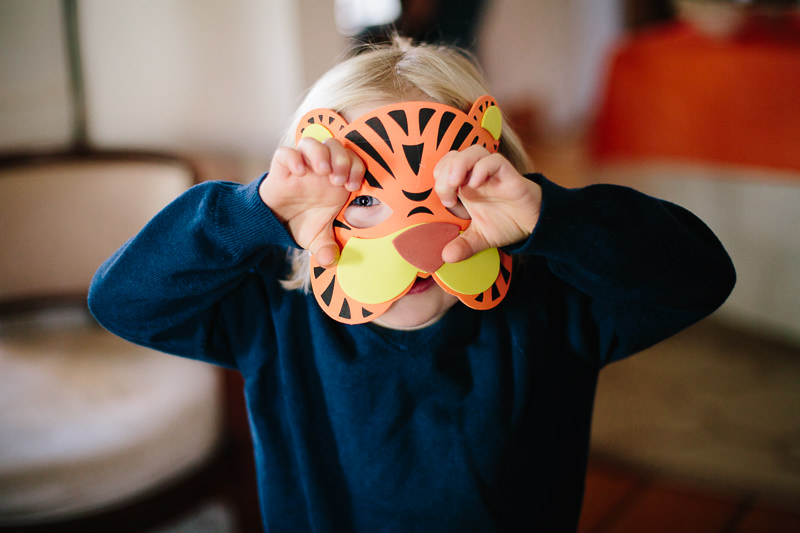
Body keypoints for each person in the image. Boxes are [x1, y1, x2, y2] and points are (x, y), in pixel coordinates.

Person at [88, 37, 735, 532]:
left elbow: (700, 277)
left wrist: (552, 218)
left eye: (453, 192)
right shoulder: (271, 314)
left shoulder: (556, 307)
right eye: (366, 199)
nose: (413, 240)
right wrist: (250, 212)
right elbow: (122, 300)